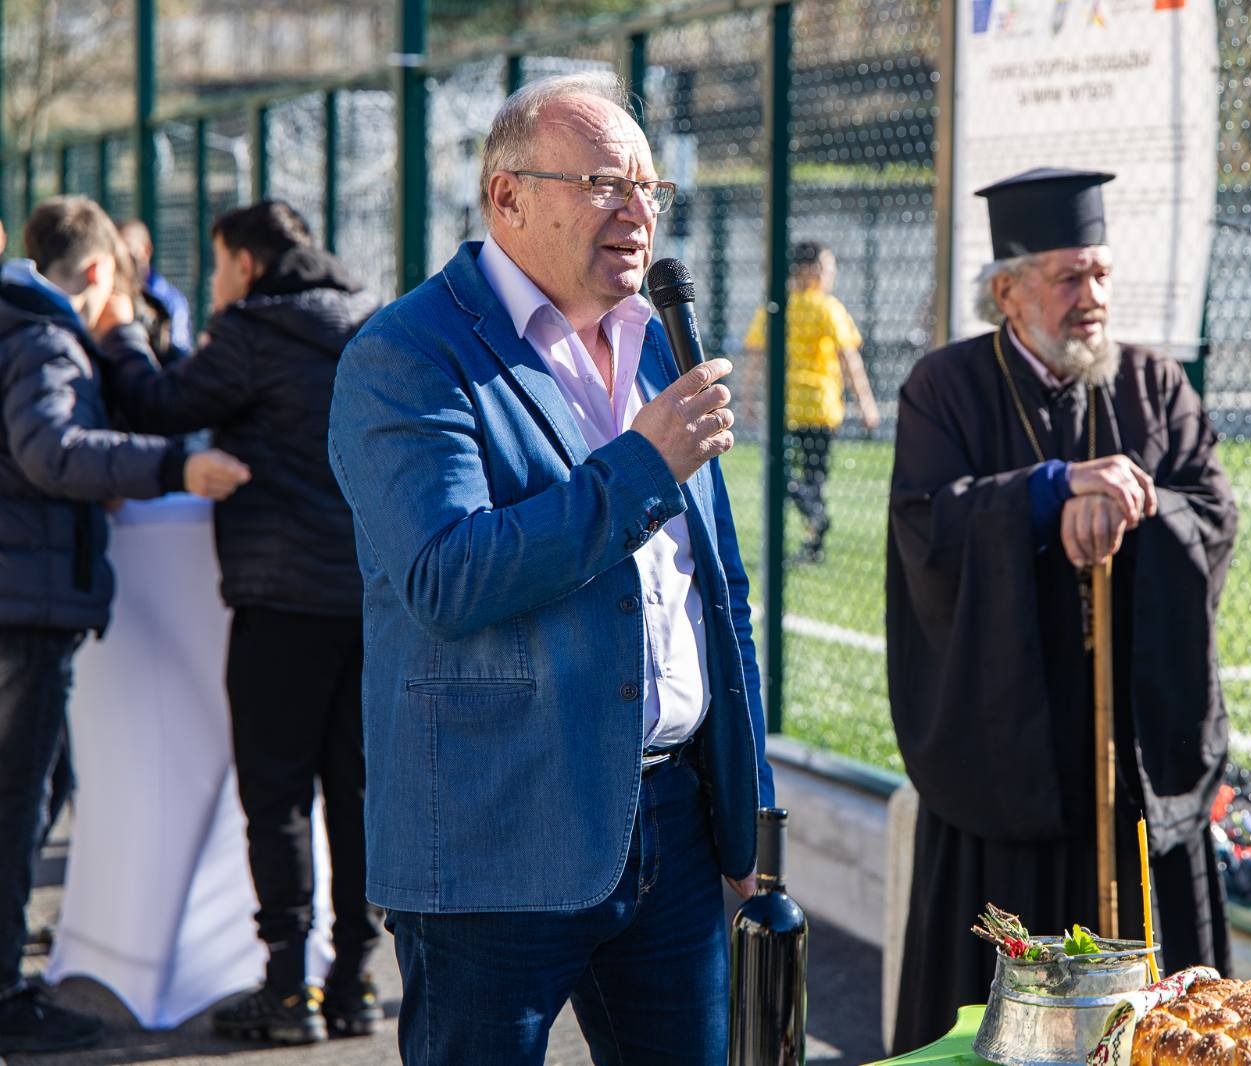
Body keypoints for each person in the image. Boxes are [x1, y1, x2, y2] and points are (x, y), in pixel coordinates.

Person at [328, 72, 773, 1064]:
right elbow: (448, 575)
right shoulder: (406, 355)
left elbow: (715, 589)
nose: (637, 211)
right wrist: (641, 468)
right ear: (507, 196)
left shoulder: (657, 342)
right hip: (496, 840)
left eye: (650, 188)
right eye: (605, 182)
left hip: (677, 827)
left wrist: (746, 816)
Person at [885, 168, 1238, 1053]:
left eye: (1103, 275)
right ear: (1006, 290)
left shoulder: (1154, 384)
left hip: (1135, 750)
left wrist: (1127, 509)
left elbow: (1213, 513)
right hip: (1008, 751)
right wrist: (1046, 494)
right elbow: (929, 522)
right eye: (1070, 278)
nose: (1094, 299)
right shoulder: (946, 387)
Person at [97, 200, 381, 1045]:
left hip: (281, 599)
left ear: (247, 264)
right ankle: (357, 983)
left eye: (220, 266)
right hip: (370, 600)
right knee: (358, 794)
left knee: (278, 794)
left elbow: (156, 402)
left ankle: (288, 990)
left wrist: (117, 327)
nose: (217, 283)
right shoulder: (368, 321)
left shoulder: (254, 332)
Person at [0, 196, 250, 1055]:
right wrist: (173, 461)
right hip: (27, 604)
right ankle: (6, 998)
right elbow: (50, 448)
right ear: (102, 273)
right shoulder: (39, 333)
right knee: (19, 798)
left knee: (35, 792)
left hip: (29, 592)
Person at [743, 240, 881, 562]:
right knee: (814, 476)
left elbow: (755, 358)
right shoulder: (827, 307)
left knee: (781, 472)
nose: (831, 275)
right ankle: (816, 523)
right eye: (828, 268)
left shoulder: (775, 307)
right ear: (811, 270)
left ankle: (813, 533)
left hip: (785, 406)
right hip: (820, 406)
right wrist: (866, 403)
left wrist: (748, 398)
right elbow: (849, 358)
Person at [116, 219, 193, 364]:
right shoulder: (112, 295)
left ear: (146, 251)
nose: (123, 260)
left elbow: (178, 353)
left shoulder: (168, 300)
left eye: (128, 251)